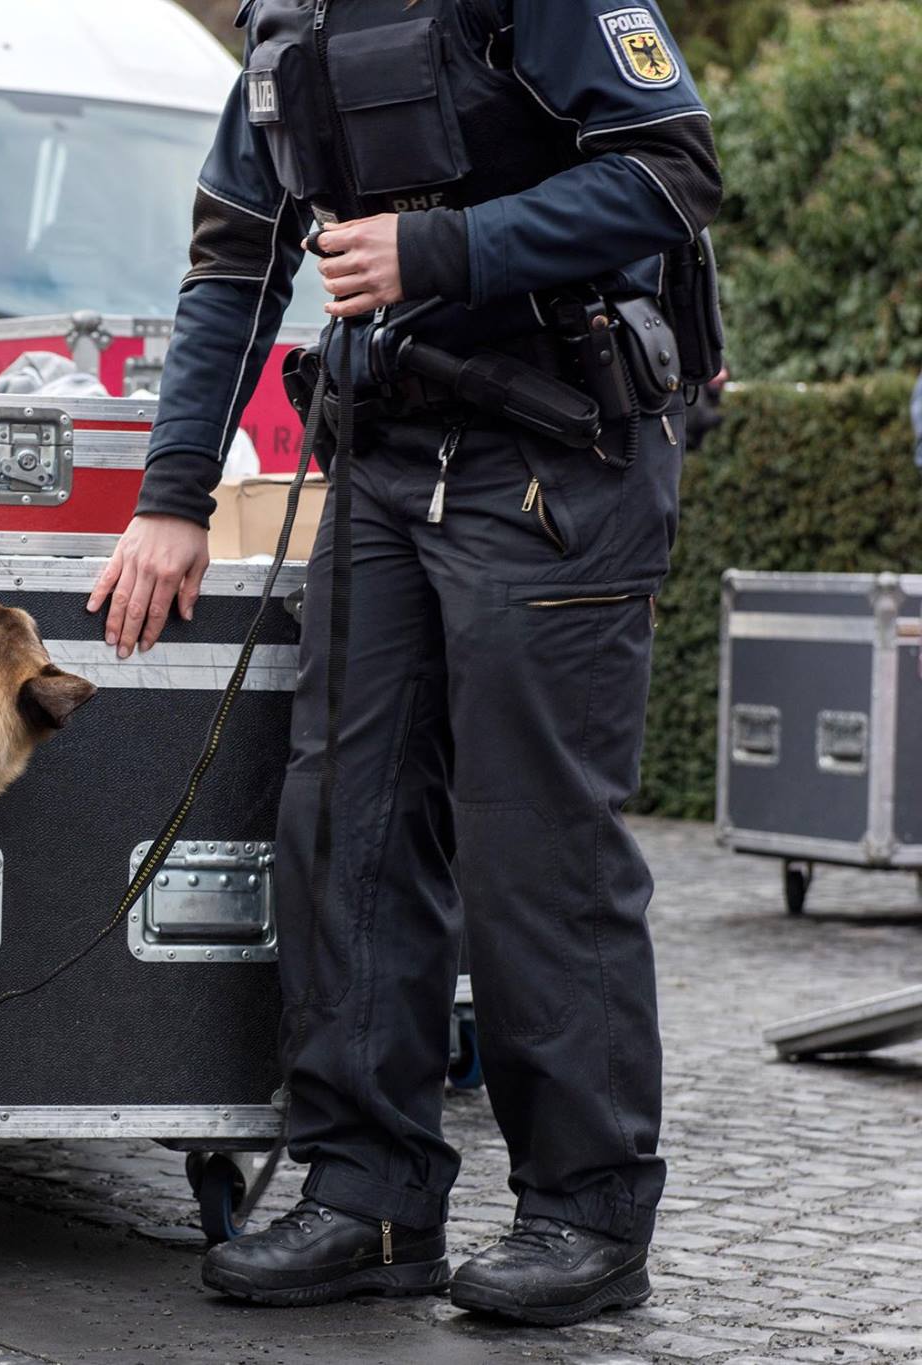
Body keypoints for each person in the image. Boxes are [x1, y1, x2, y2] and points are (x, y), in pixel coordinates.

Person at [87, 0, 720, 1328]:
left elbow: (672, 172)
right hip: (383, 461)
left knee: (534, 845)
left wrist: (445, 247)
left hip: (559, 455)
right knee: (345, 826)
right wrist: (172, 495)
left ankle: (588, 1211)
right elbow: (231, 255)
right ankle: (369, 1193)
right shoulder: (284, 22)